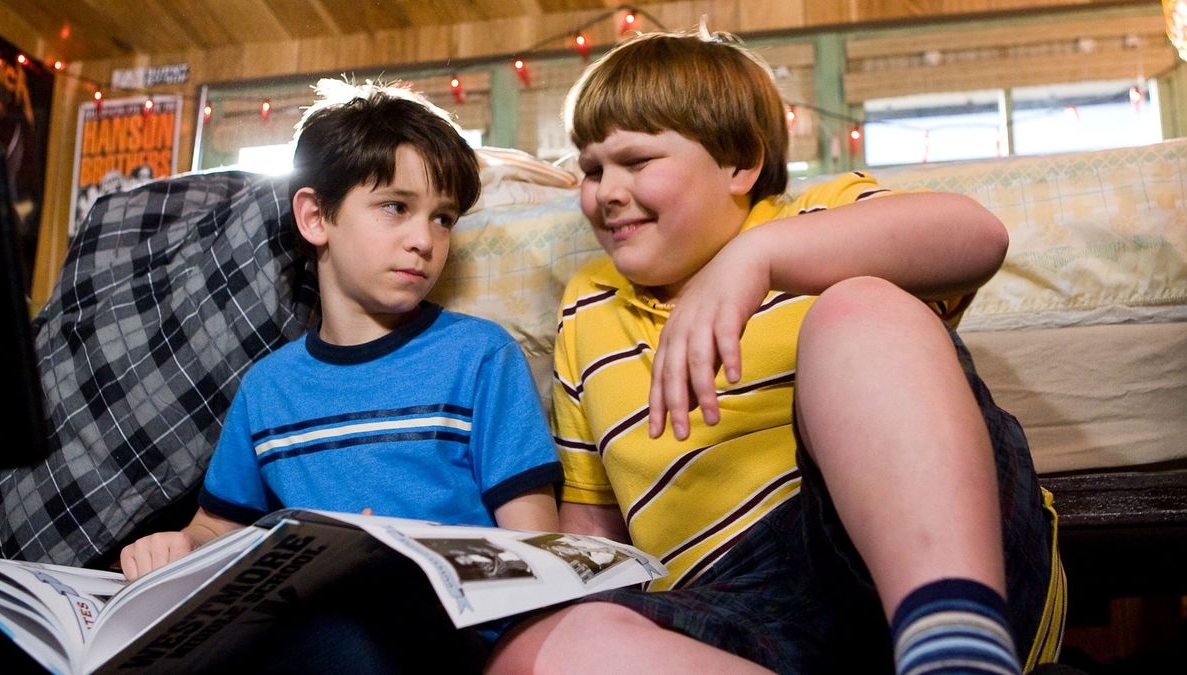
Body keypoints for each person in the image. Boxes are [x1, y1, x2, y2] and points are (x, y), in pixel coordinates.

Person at [487, 29, 1065, 675]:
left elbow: (977, 238)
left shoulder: (816, 219)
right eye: (591, 169)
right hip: (730, 600)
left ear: (740, 164)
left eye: (636, 161)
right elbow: (594, 521)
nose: (605, 191)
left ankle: (956, 646)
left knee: (859, 307)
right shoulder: (587, 303)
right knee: (534, 649)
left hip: (920, 544)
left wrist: (757, 256)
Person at [119, 78, 562, 672]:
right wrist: (177, 546)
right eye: (396, 207)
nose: (423, 240)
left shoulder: (480, 355)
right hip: (304, 631)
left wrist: (415, 554)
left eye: (443, 219)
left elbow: (537, 547)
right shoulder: (269, 387)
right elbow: (215, 526)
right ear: (315, 217)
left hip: (442, 636)